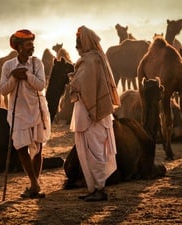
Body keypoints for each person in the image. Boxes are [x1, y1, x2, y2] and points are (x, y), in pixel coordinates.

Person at [69, 26, 120, 201]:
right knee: (90, 151)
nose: (77, 47)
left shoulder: (89, 61)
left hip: (92, 114)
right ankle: (94, 188)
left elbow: (83, 86)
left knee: (95, 151)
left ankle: (99, 189)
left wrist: (73, 81)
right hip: (93, 113)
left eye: (78, 43)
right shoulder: (95, 59)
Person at [0, 29, 51, 199]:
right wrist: (14, 77)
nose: (32, 48)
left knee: (38, 148)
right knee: (21, 147)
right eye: (29, 45)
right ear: (19, 47)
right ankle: (35, 184)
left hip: (36, 109)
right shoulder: (8, 66)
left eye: (32, 44)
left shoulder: (37, 64)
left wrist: (26, 74)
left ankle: (34, 186)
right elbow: (2, 89)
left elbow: (41, 86)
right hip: (18, 112)